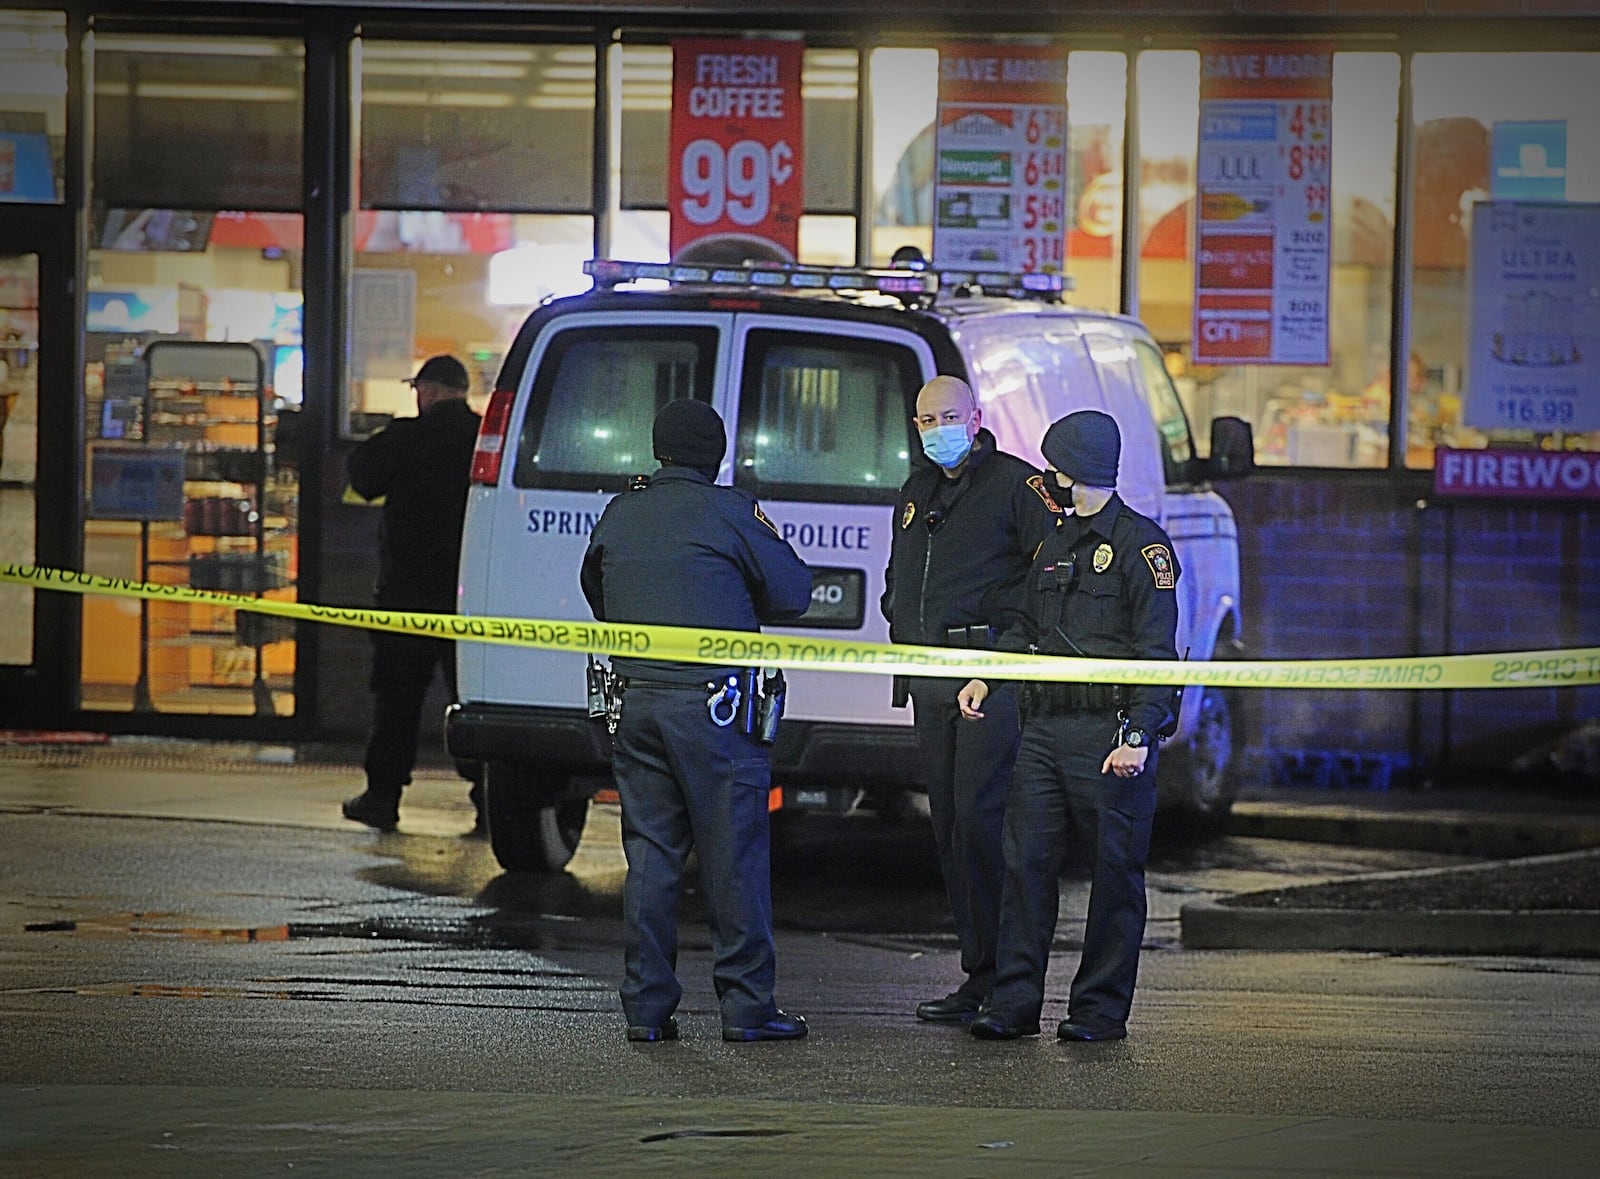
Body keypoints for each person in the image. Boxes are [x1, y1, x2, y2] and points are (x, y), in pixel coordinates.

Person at [580, 398, 813, 1044]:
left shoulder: (622, 510)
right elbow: (794, 591)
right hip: (716, 711)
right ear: (716, 455)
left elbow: (596, 590)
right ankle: (746, 1007)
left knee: (651, 857)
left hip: (639, 704)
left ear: (659, 449)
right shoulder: (730, 511)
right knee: (733, 857)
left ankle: (647, 1010)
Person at [957, 410, 1181, 1043]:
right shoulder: (1054, 543)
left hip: (1108, 735)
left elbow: (1157, 654)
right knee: (1024, 865)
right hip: (1045, 730)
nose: (1047, 475)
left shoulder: (1144, 549)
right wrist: (989, 676)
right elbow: (1027, 627)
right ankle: (1013, 1003)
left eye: (1054, 464)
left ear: (1074, 468)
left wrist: (1138, 735)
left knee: (1114, 873)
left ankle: (1098, 1011)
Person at [881, 374, 1062, 1023]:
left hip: (991, 682)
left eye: (948, 416)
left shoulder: (1016, 486)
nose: (936, 430)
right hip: (932, 683)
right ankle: (979, 973)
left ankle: (1008, 980)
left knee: (985, 829)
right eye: (925, 419)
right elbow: (901, 574)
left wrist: (1009, 650)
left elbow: (1048, 580)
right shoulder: (917, 490)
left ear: (978, 416)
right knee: (951, 830)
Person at [341, 355, 486, 834]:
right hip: (471, 595)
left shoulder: (407, 438)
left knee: (397, 698)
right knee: (474, 697)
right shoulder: (485, 436)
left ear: (430, 390)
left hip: (408, 594)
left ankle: (383, 796)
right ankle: (489, 799)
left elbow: (362, 479)